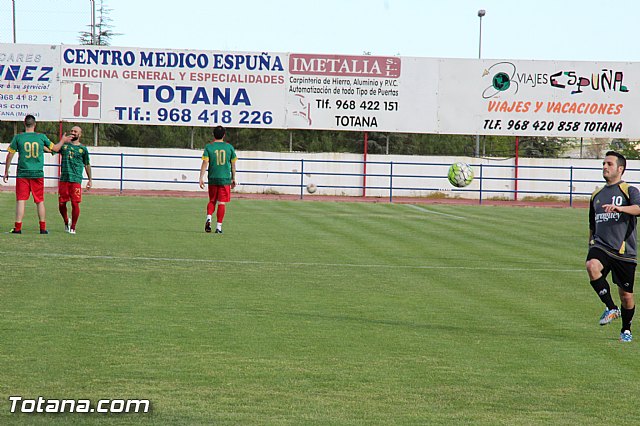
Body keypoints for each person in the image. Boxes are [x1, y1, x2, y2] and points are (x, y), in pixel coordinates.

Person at [586, 151, 640, 342]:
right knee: (592, 265)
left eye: (609, 164)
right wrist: (590, 242)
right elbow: (592, 224)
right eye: (603, 164)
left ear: (620, 169)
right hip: (601, 246)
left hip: (624, 251)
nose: (605, 167)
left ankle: (626, 329)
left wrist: (620, 208)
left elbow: (638, 209)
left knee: (626, 296)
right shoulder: (596, 195)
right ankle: (610, 307)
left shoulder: (629, 190)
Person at [3, 114, 70, 234]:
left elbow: (10, 155)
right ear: (35, 124)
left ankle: (17, 228)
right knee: (39, 201)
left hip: (23, 173)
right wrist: (63, 140)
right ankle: (43, 228)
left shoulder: (18, 138)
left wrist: (6, 171)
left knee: (21, 200)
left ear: (24, 124)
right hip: (37, 173)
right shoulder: (41, 137)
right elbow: (54, 148)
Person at [53, 126, 92, 234]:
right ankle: (66, 222)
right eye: (72, 131)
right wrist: (61, 140)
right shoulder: (64, 146)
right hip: (64, 179)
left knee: (75, 203)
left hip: (76, 179)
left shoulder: (83, 149)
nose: (73, 133)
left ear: (80, 134)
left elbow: (87, 164)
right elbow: (53, 149)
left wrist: (90, 180)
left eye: (75, 131)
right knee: (61, 204)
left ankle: (73, 227)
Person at [199, 125, 237, 234]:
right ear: (224, 135)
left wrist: (201, 178)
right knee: (221, 203)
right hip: (225, 179)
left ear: (213, 134)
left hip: (213, 178)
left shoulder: (209, 147)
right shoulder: (229, 147)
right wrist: (233, 178)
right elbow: (233, 165)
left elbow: (205, 163)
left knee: (212, 200)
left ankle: (209, 218)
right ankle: (218, 227)